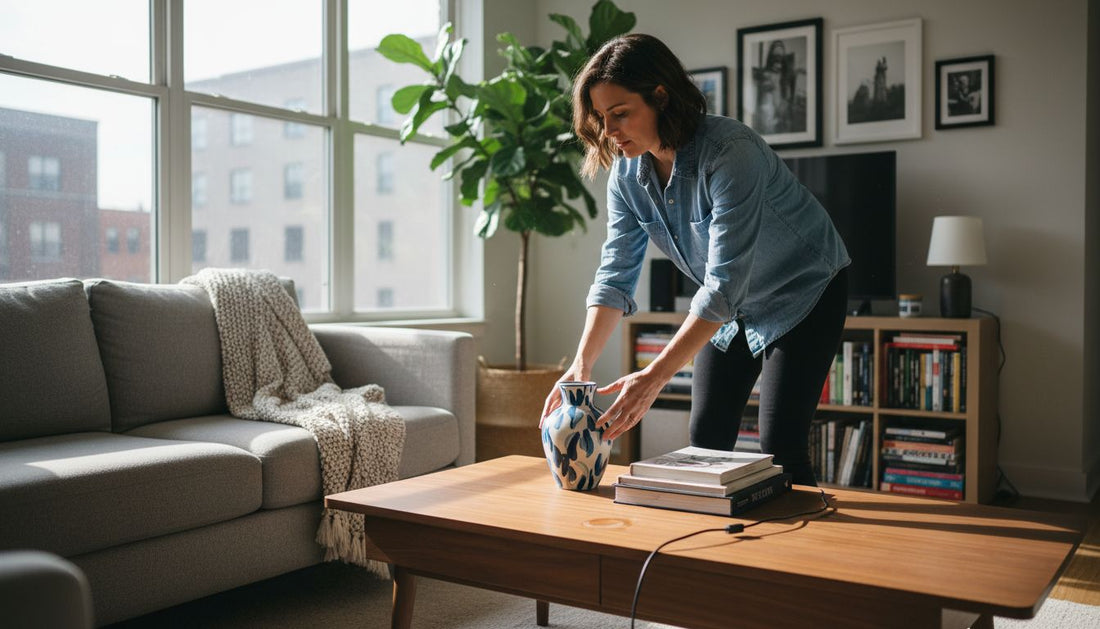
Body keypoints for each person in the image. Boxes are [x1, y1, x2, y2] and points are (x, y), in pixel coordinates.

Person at [539, 34, 850, 486]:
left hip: (803, 291)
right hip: (729, 306)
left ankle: (799, 554)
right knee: (705, 441)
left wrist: (651, 379)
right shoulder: (627, 176)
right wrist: (581, 365)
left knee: (780, 447)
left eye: (620, 114)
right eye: (601, 118)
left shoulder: (730, 153)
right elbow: (615, 273)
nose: (608, 132)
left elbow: (723, 284)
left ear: (661, 97)